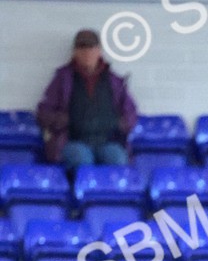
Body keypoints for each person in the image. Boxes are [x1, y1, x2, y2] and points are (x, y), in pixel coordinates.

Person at [36, 29, 138, 170]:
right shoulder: (62, 79)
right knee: (82, 160)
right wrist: (61, 120)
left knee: (117, 159)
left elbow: (131, 113)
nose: (87, 53)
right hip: (73, 141)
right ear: (75, 52)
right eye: (82, 48)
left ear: (99, 51)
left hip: (108, 141)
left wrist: (120, 123)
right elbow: (43, 112)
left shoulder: (115, 81)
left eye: (91, 48)